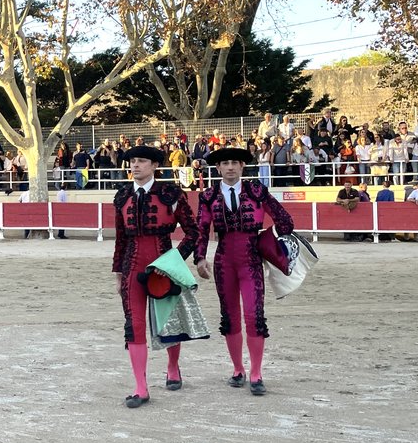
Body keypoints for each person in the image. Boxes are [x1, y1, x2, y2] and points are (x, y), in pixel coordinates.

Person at [195, 147, 295, 396]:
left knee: (254, 314)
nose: (230, 167)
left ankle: (256, 373)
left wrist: (268, 241)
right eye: (225, 163)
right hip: (224, 261)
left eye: (235, 163)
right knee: (229, 315)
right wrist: (199, 258)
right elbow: (201, 229)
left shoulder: (257, 191)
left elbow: (285, 221)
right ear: (217, 168)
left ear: (242, 167)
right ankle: (238, 369)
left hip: (251, 260)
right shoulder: (208, 195)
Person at [112, 145, 199, 408]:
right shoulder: (123, 195)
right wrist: (117, 272)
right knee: (135, 324)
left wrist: (173, 263)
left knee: (168, 322)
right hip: (132, 266)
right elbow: (120, 239)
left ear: (154, 166)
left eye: (140, 161)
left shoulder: (171, 194)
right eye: (132, 161)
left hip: (164, 265)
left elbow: (193, 232)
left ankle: (173, 367)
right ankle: (141, 387)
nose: (135, 165)